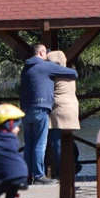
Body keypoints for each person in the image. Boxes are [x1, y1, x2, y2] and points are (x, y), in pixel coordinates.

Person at [19, 43, 77, 184]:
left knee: (29, 144)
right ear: (40, 53)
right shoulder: (46, 66)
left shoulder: (25, 69)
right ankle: (39, 176)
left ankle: (27, 176)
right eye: (45, 53)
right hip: (41, 108)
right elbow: (73, 74)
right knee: (40, 144)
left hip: (25, 110)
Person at [46, 50, 80, 176]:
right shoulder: (70, 74)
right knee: (69, 139)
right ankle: (74, 163)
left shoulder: (53, 76)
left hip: (58, 109)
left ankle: (63, 173)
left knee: (56, 142)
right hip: (72, 108)